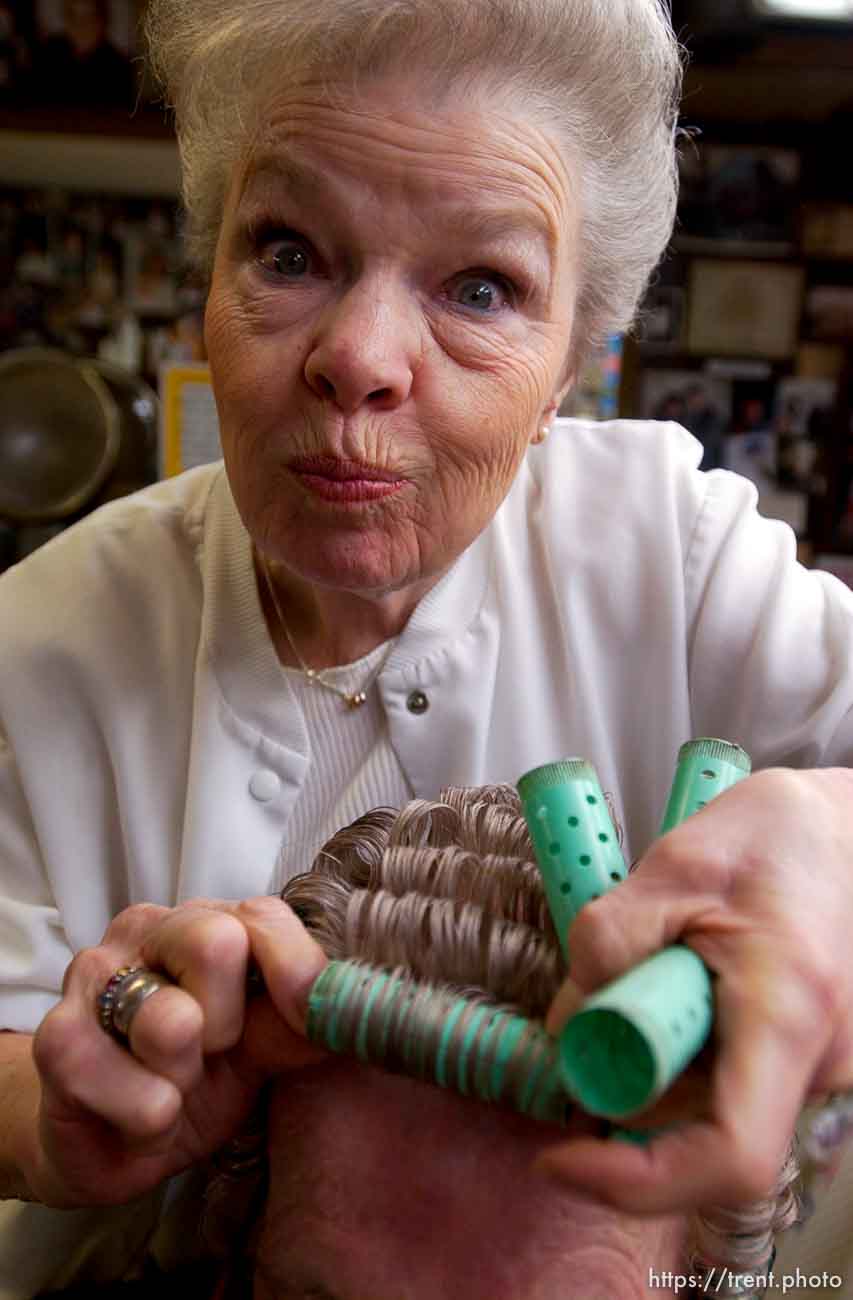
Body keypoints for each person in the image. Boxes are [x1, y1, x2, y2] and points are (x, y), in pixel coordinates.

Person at [1, 0, 853, 1294]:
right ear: (208, 275)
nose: (356, 359)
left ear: (573, 360)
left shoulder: (673, 557)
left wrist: (835, 845)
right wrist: (51, 1113)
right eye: (289, 252)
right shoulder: (43, 642)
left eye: (480, 287)